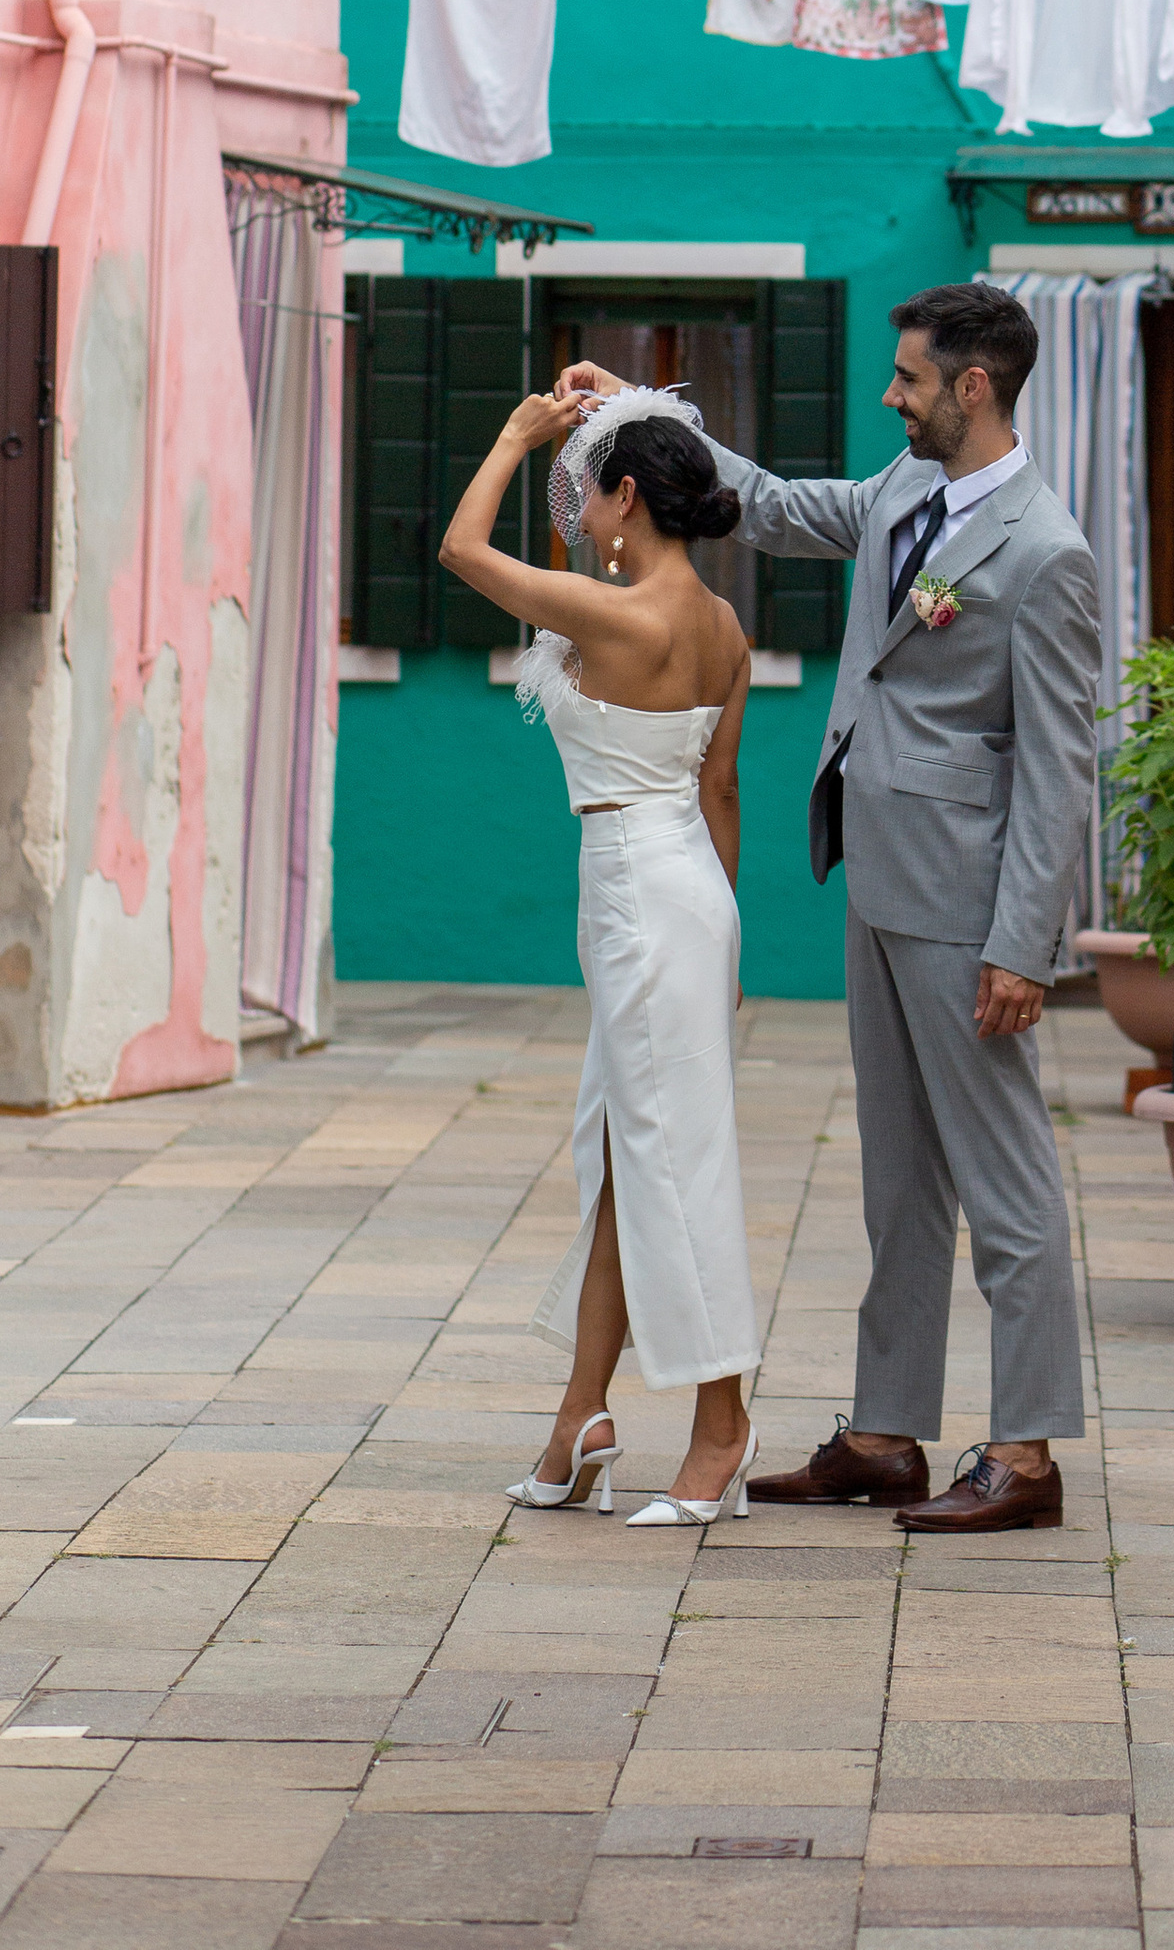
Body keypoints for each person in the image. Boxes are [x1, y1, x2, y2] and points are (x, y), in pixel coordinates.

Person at [559, 282, 1100, 1534]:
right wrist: (634, 409)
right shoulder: (906, 491)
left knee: (1005, 1181)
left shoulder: (1045, 551)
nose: (889, 395)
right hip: (875, 875)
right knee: (897, 1177)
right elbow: (778, 505)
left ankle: (1023, 1456)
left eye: (909, 378)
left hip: (970, 907)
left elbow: (1062, 765)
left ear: (973, 387)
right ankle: (885, 1434)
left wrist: (1026, 944)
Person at [441, 383, 761, 1527]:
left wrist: (517, 432)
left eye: (588, 488)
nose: (577, 509)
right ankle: (581, 1415)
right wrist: (723, 953)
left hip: (638, 890)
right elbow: (720, 792)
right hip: (681, 892)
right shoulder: (723, 626)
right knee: (624, 1159)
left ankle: (722, 1428)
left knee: (671, 1164)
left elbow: (458, 547)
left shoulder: (614, 615)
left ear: (630, 497)